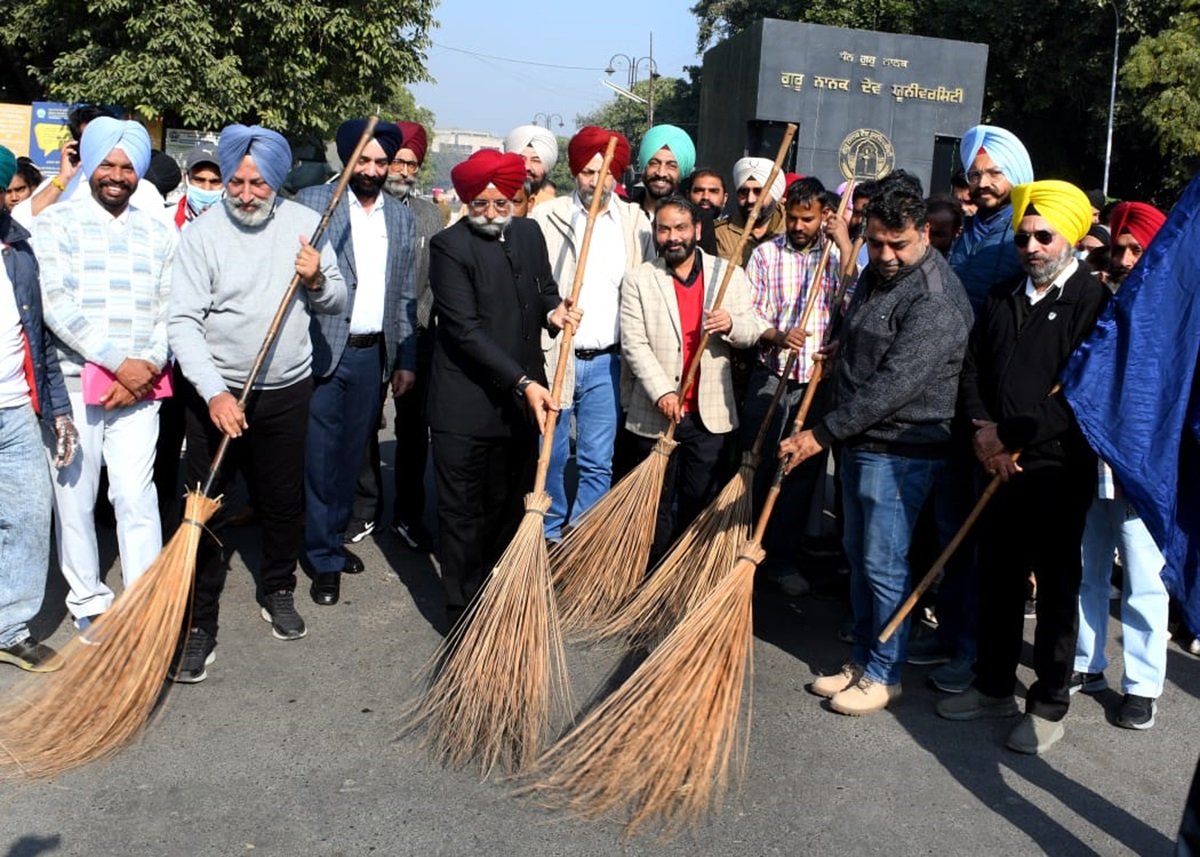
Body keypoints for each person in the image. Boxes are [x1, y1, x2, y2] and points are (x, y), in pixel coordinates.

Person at [780, 177, 973, 716]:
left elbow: (896, 386)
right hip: (861, 440)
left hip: (902, 446)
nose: (885, 256)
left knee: (884, 564)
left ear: (926, 235)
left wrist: (819, 434)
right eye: (876, 242)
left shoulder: (935, 297)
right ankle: (864, 658)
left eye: (898, 245)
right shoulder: (874, 272)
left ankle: (886, 672)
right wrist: (845, 344)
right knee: (859, 557)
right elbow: (866, 325)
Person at [168, 124, 345, 681]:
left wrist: (316, 279)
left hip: (287, 389)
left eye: (258, 182)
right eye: (237, 182)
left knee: (282, 500)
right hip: (217, 396)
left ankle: (278, 587)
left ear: (277, 179)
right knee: (206, 508)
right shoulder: (202, 235)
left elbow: (338, 297)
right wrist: (215, 393)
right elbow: (183, 324)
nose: (246, 193)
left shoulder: (303, 226)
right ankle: (200, 622)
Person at [937, 180, 1108, 754]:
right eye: (1022, 237)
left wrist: (1013, 437)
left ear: (1072, 238)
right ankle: (991, 687)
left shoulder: (1095, 304)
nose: (1031, 246)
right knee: (999, 579)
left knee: (1057, 587)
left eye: (1043, 236)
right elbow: (971, 369)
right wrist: (985, 433)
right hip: (995, 463)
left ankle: (1049, 703)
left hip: (1056, 469)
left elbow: (1080, 394)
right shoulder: (1005, 294)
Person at [33, 118, 176, 634]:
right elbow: (55, 304)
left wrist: (147, 366)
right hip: (72, 385)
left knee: (136, 495)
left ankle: (142, 596)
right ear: (91, 166)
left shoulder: (158, 230)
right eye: (107, 166)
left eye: (126, 167)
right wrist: (119, 363)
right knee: (75, 495)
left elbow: (170, 307)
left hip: (141, 390)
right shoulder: (55, 224)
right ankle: (88, 597)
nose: (117, 176)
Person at [427, 149, 578, 628]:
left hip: (519, 407)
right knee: (462, 513)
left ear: (518, 200)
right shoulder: (448, 247)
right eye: (481, 205)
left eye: (502, 203)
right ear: (467, 200)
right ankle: (460, 612)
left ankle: (499, 597)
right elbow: (465, 331)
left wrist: (556, 312)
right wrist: (524, 382)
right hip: (465, 407)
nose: (492, 214)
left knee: (507, 506)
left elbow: (544, 289)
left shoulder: (530, 233)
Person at [295, 119, 414, 607]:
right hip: (322, 350)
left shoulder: (400, 217)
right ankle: (321, 557)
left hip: (372, 354)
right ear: (346, 159)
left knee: (351, 457)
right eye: (362, 160)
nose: (371, 169)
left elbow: (404, 292)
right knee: (319, 457)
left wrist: (404, 358)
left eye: (380, 162)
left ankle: (334, 538)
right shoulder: (311, 206)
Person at [620, 196, 763, 560]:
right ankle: (648, 574)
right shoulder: (639, 279)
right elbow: (634, 344)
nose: (672, 237)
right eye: (664, 229)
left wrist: (730, 324)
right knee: (654, 504)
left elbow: (752, 329)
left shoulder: (727, 274)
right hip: (656, 412)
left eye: (680, 228)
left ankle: (683, 571)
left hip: (708, 413)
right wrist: (662, 391)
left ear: (697, 230)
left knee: (699, 500)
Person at [1072, 200, 1169, 730]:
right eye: (1119, 249)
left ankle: (1143, 684)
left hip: (1141, 470)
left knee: (1144, 581)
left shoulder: (1177, 316)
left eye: (1137, 249)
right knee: (1089, 569)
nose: (1126, 259)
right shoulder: (1097, 302)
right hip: (1091, 465)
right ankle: (1087, 664)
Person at [531, 126, 651, 541]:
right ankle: (548, 532)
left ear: (617, 176)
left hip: (608, 361)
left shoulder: (635, 222)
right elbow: (529, 286)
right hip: (557, 356)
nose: (595, 181)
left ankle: (582, 537)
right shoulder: (547, 217)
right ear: (574, 172)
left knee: (598, 459)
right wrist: (552, 311)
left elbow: (650, 286)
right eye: (586, 171)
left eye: (604, 172)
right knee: (553, 452)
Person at [743, 177, 852, 595]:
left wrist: (844, 245)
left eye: (807, 219)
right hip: (773, 374)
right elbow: (751, 316)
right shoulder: (767, 255)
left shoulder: (837, 256)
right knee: (759, 461)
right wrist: (778, 334)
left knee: (800, 474)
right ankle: (747, 548)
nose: (799, 226)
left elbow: (854, 301)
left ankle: (783, 560)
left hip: (815, 381)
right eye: (793, 217)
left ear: (824, 215)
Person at [348, 120, 444, 551]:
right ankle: (365, 509)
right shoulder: (363, 208)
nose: (404, 171)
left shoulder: (429, 214)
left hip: (416, 334)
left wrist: (416, 322)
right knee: (364, 424)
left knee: (412, 428)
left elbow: (434, 280)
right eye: (397, 162)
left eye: (411, 163)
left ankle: (409, 513)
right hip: (368, 334)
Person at [0, 149, 77, 672]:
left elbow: (39, 337)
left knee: (29, 516)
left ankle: (8, 627)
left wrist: (57, 410)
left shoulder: (18, 248)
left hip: (14, 408)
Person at [948, 125, 1034, 316]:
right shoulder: (958, 229)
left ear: (1016, 175)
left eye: (995, 173)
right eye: (975, 175)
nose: (983, 183)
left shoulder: (1028, 234)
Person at [714, 157, 786, 265]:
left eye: (758, 191)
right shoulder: (721, 234)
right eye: (743, 192)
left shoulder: (792, 230)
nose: (750, 199)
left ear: (775, 195)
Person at [629, 124, 696, 221]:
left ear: (681, 173)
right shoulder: (625, 214)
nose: (661, 173)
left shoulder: (697, 218)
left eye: (671, 166)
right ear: (644, 166)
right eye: (654, 163)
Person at [503, 124, 559, 211]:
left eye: (536, 160)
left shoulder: (556, 210)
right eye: (521, 159)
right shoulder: (493, 202)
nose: (527, 167)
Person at [172, 142, 223, 230]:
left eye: (215, 182)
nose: (206, 189)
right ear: (185, 179)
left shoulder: (237, 226)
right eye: (199, 180)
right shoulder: (167, 221)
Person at [687, 167, 728, 255]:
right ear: (688, 195)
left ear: (725, 198)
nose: (705, 196)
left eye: (713, 191)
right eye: (699, 191)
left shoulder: (731, 234)